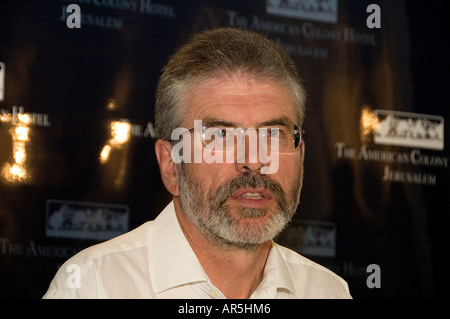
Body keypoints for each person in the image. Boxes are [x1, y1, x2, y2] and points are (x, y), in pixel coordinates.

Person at [43, 28, 351, 299]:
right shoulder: (93, 287)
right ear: (170, 165)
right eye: (220, 136)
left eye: (273, 135)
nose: (255, 160)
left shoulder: (327, 291)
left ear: (301, 155)